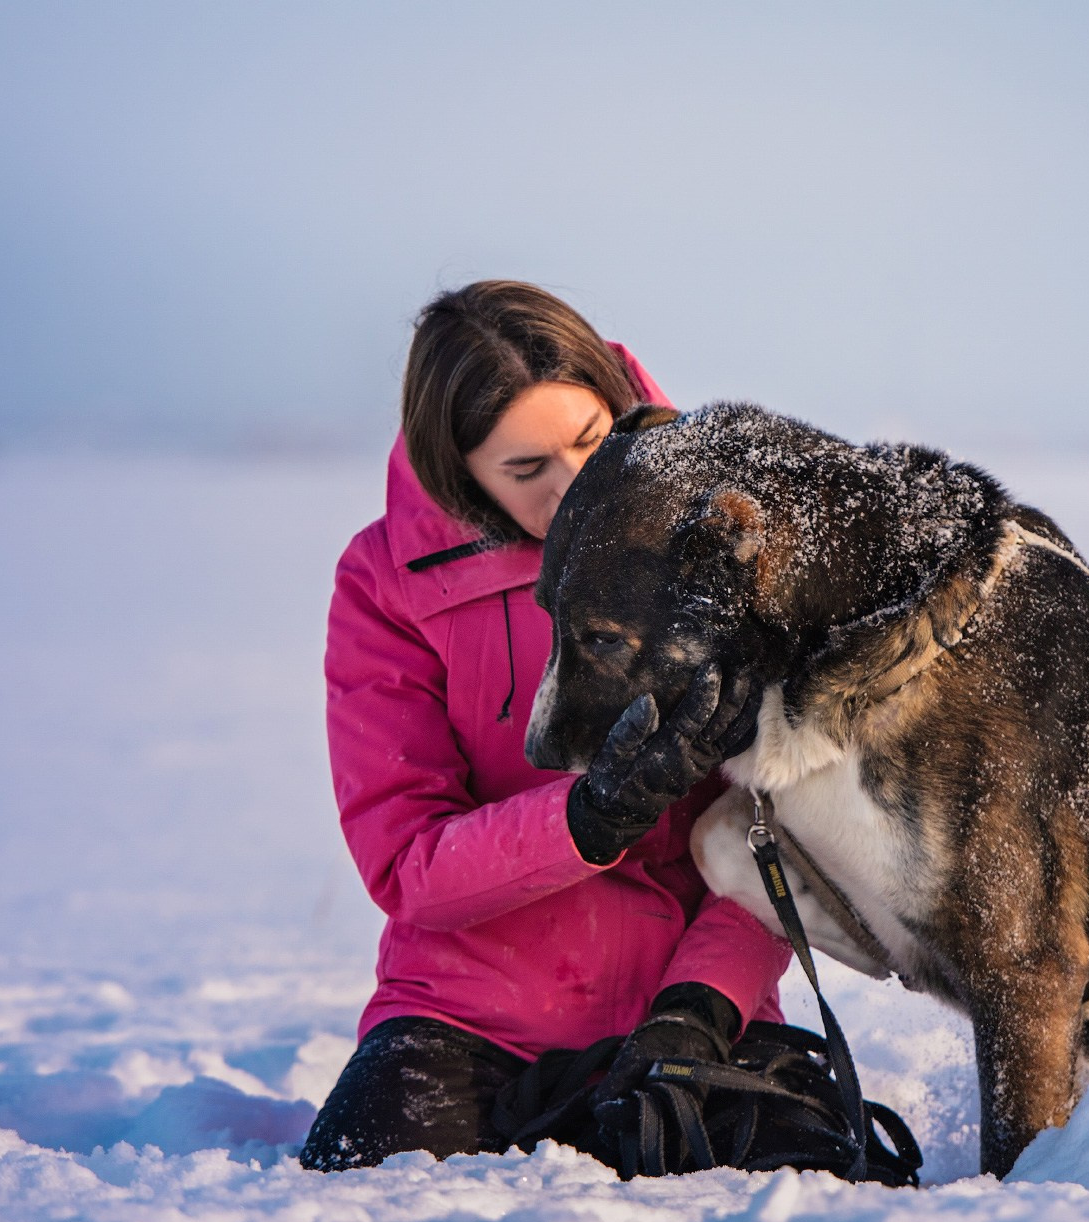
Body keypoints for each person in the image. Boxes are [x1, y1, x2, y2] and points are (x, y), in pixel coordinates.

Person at [301, 280, 792, 1170]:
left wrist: (704, 1008)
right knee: (362, 1194)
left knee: (822, 1194)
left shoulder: (722, 538)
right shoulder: (382, 584)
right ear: (457, 468)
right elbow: (404, 860)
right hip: (462, 1019)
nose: (573, 491)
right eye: (526, 471)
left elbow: (780, 829)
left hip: (692, 1011)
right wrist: (582, 820)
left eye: (589, 443)